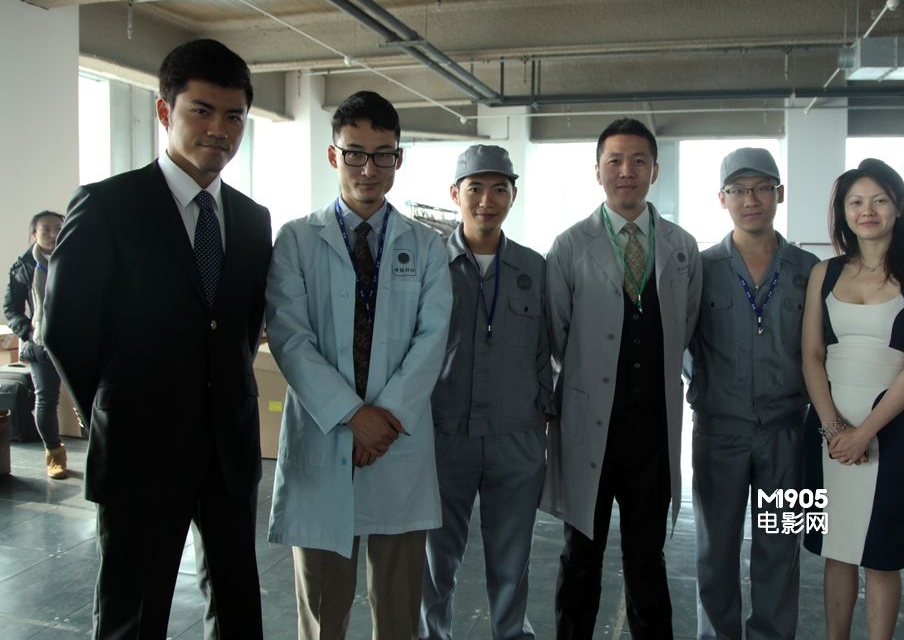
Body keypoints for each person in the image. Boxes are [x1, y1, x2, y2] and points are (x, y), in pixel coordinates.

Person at [43, 39, 271, 639]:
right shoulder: (107, 205)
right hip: (140, 451)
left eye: (234, 116)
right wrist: (116, 406)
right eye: (202, 110)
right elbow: (65, 326)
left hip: (229, 453)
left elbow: (242, 328)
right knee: (134, 615)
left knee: (239, 610)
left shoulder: (252, 220)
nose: (219, 129)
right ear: (165, 110)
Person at [266, 90, 451, 640]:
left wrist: (383, 418)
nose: (368, 169)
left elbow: (433, 338)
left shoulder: (427, 246)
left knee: (397, 614)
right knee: (323, 612)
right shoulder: (297, 240)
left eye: (382, 154)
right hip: (326, 441)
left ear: (398, 158)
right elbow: (291, 339)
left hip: (396, 445)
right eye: (355, 153)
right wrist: (353, 416)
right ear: (334, 156)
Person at [542, 117, 702, 639]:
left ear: (655, 170)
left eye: (638, 161)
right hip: (589, 426)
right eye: (615, 160)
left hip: (653, 432)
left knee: (646, 557)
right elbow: (557, 334)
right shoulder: (569, 246)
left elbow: (685, 326)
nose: (626, 171)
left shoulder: (682, 246)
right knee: (580, 555)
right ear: (598, 171)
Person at [801, 158, 904, 640]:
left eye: (879, 200)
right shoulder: (824, 272)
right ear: (843, 212)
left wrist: (864, 432)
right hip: (828, 432)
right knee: (836, 549)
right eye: (856, 202)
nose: (868, 210)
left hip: (890, 430)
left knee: (882, 554)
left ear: (898, 207)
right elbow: (811, 355)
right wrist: (833, 428)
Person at [420, 145, 553, 640]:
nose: (486, 200)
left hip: (516, 438)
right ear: (455, 194)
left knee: (512, 560)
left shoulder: (535, 268)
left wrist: (542, 411)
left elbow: (549, 348)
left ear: (513, 196)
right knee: (436, 561)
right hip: (443, 435)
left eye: (499, 189)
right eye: (475, 188)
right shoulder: (430, 264)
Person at [686, 148, 818, 640]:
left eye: (762, 188)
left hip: (789, 435)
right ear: (721, 198)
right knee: (715, 550)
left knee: (781, 550)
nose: (751, 199)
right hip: (718, 433)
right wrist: (710, 389)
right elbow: (683, 344)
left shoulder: (809, 269)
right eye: (739, 190)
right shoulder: (700, 268)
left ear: (779, 193)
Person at [3, 210, 67, 478]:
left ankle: (99, 452)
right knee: (46, 401)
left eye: (58, 228)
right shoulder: (24, 266)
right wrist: (29, 332)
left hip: (76, 341)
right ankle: (54, 454)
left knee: (91, 398)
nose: (53, 234)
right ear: (34, 235)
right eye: (46, 230)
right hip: (40, 345)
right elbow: (11, 308)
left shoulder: (77, 258)